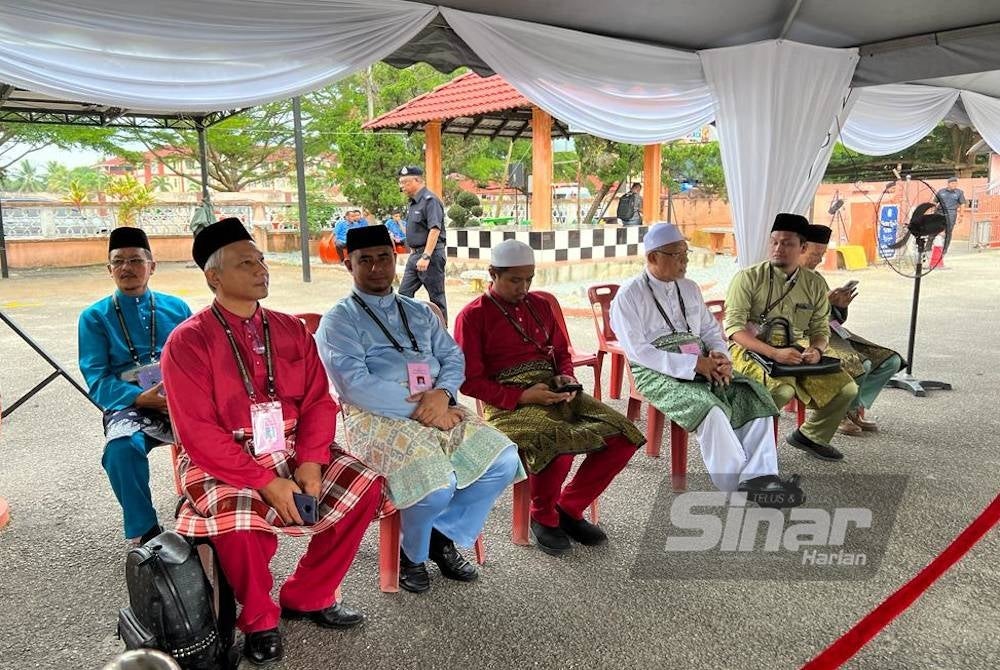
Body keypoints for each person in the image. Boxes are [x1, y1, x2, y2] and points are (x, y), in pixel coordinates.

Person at [160, 218, 383, 666]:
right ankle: (260, 618)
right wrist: (267, 482)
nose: (262, 269)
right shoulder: (187, 341)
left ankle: (309, 594)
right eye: (247, 263)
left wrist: (311, 463)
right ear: (214, 277)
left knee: (368, 487)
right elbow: (197, 433)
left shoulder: (289, 328)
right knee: (240, 525)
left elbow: (320, 401)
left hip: (295, 445)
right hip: (224, 456)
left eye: (261, 259)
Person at [317, 225, 521, 593]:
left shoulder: (419, 311)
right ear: (349, 265)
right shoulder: (339, 319)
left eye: (384, 258)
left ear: (395, 259)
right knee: (435, 483)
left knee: (503, 458)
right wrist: (425, 410)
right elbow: (354, 385)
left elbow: (452, 358)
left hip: (436, 403)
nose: (377, 267)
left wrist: (442, 394)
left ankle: (438, 537)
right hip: (374, 415)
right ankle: (411, 553)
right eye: (366, 261)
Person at [454, 240, 646, 556]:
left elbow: (561, 352)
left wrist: (566, 377)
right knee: (559, 441)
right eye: (515, 280)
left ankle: (569, 508)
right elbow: (469, 382)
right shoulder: (472, 316)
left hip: (554, 388)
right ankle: (542, 516)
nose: (523, 287)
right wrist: (522, 395)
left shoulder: (540, 305)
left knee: (623, 434)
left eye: (528, 279)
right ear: (493, 274)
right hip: (508, 404)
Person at [610, 223, 803, 505]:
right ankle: (737, 483)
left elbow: (711, 330)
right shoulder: (629, 295)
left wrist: (720, 356)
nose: (685, 260)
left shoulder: (689, 288)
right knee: (709, 409)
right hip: (658, 372)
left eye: (685, 253)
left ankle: (763, 477)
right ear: (653, 257)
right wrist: (692, 366)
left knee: (753, 395)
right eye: (677, 255)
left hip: (702, 361)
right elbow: (639, 352)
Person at [78, 227, 193, 545]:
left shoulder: (178, 308)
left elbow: (200, 359)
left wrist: (187, 396)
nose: (126, 268)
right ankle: (146, 531)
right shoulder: (94, 318)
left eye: (135, 260)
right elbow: (97, 379)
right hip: (131, 404)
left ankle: (206, 509)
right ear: (109, 269)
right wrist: (141, 398)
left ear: (152, 266)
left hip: (182, 400)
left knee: (222, 435)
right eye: (118, 262)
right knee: (121, 448)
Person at [725, 213, 858, 462]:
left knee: (847, 388)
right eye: (774, 242)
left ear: (803, 248)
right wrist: (774, 353)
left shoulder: (815, 283)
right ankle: (739, 441)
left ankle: (811, 436)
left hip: (795, 352)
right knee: (782, 391)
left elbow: (820, 329)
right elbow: (734, 330)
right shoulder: (748, 278)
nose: (778, 249)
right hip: (749, 351)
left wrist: (817, 350)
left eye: (787, 243)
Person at [802, 224, 903, 435]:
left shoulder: (817, 278)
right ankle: (840, 414)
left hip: (832, 331)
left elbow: (833, 317)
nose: (818, 260)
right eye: (815, 255)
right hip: (807, 336)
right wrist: (824, 303)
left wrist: (839, 305)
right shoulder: (787, 279)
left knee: (889, 360)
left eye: (821, 255)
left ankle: (852, 408)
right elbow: (794, 320)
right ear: (800, 248)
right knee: (860, 363)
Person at [397, 166, 449, 322]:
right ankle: (406, 329)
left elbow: (434, 229)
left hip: (430, 256)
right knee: (403, 295)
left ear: (417, 180)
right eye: (400, 183)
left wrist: (426, 256)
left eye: (404, 182)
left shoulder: (430, 200)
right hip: (415, 255)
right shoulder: (413, 203)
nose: (401, 187)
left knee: (436, 296)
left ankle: (442, 332)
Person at [935, 177, 967, 254]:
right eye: (953, 183)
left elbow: (962, 204)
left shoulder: (959, 192)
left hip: (951, 213)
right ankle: (928, 246)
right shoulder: (941, 191)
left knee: (948, 231)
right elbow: (935, 202)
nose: (954, 185)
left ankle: (945, 249)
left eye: (956, 184)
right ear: (948, 184)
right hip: (940, 212)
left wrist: (961, 215)